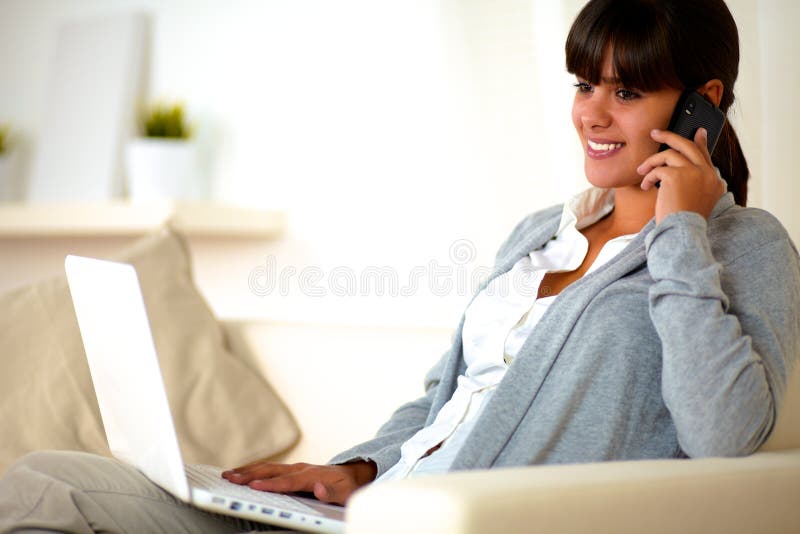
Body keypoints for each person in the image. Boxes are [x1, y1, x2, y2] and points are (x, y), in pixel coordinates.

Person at [2, 0, 798, 531]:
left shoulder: (744, 248)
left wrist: (681, 229)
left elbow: (725, 434)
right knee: (42, 479)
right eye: (586, 83)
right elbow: (441, 402)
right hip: (370, 511)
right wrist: (350, 468)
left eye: (626, 92)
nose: (591, 112)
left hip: (439, 524)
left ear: (702, 104)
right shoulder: (539, 233)